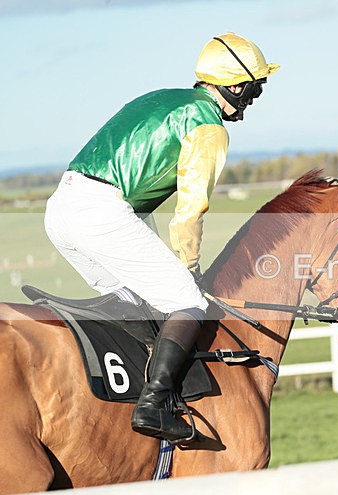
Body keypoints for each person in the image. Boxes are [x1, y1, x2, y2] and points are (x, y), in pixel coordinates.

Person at [44, 32, 279, 442]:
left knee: (139, 304)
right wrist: (189, 270)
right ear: (236, 86)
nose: (253, 99)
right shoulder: (208, 127)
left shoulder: (162, 97)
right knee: (186, 301)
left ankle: (130, 397)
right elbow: (189, 212)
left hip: (62, 208)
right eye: (255, 89)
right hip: (103, 213)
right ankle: (153, 405)